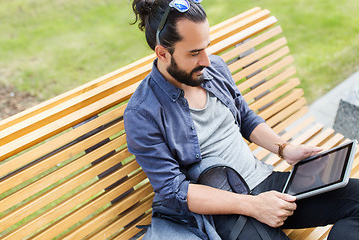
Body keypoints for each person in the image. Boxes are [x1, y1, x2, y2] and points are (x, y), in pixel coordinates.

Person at [124, 0, 359, 239]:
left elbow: (245, 117)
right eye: (195, 53)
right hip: (226, 211)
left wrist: (285, 149)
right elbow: (175, 191)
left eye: (206, 47)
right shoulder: (143, 114)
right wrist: (253, 205)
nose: (206, 60)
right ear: (163, 53)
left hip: (267, 183)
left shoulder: (213, 69)